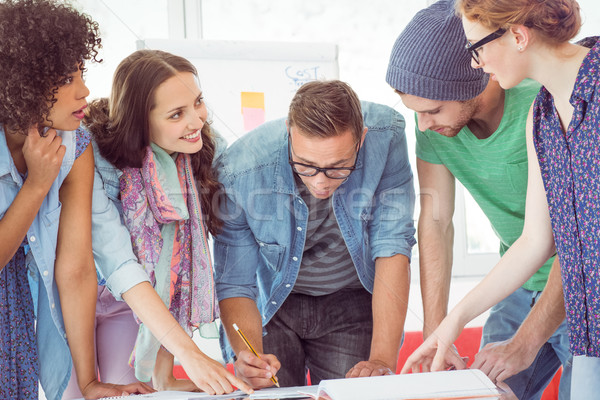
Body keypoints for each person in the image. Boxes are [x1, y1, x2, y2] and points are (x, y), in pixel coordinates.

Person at [402, 0, 599, 398]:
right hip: (587, 320)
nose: (474, 64)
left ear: (518, 36)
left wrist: (527, 340)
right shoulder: (543, 116)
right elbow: (536, 240)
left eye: (475, 47)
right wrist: (448, 324)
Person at [214, 80, 416, 388]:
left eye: (338, 167)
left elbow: (392, 245)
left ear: (360, 139)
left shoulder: (385, 136)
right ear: (289, 132)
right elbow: (235, 280)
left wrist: (381, 361)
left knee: (357, 394)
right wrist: (248, 356)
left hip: (351, 302)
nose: (320, 182)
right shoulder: (239, 169)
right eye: (306, 166)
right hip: (272, 309)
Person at [0, 0, 152, 399]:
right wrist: (36, 187)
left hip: (15, 325)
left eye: (82, 73)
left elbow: (77, 268)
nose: (84, 90)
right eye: (67, 78)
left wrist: (87, 381)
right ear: (21, 82)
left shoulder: (74, 144)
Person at [84, 49, 252, 396]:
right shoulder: (96, 157)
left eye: (198, 102)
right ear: (139, 122)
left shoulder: (202, 148)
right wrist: (188, 354)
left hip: (129, 310)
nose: (197, 121)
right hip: (84, 292)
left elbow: (173, 267)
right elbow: (121, 262)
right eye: (177, 114)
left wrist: (168, 375)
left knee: (134, 390)